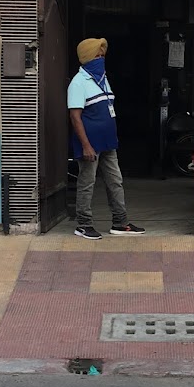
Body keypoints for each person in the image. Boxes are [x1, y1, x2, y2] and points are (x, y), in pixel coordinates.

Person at [68, 37, 145, 239]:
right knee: (87, 183)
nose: (101, 58)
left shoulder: (102, 78)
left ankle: (120, 222)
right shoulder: (78, 83)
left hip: (108, 142)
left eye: (102, 55)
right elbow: (75, 117)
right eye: (97, 55)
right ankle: (83, 225)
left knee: (115, 181)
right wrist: (85, 145)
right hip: (90, 144)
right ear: (87, 58)